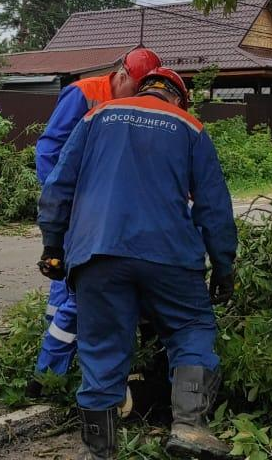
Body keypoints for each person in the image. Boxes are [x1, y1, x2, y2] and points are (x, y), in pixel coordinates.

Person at [37, 68, 237, 459]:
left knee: (101, 346)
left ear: (144, 87)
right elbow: (214, 207)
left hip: (98, 254)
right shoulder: (190, 127)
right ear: (179, 97)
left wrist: (52, 246)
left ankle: (98, 452)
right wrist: (224, 266)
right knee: (190, 328)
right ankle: (190, 426)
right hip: (171, 256)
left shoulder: (96, 117)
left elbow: (59, 185)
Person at [29, 47, 162, 395]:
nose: (138, 99)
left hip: (109, 210)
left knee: (74, 286)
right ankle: (53, 368)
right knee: (72, 285)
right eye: (134, 91)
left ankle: (59, 362)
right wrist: (64, 202)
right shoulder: (84, 94)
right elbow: (48, 150)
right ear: (120, 76)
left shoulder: (138, 106)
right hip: (80, 206)